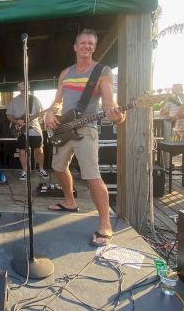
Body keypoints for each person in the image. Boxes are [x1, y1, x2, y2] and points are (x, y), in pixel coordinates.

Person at [44, 29, 125, 247]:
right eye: (83, 43)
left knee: (91, 177)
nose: (86, 46)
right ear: (75, 46)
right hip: (65, 128)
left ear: (94, 47)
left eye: (90, 43)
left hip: (87, 128)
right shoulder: (65, 73)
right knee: (58, 167)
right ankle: (70, 201)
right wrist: (51, 112)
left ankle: (105, 224)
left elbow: (109, 103)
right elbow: (58, 101)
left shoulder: (102, 71)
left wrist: (117, 116)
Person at [6, 81, 48, 180]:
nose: (24, 91)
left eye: (26, 89)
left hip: (35, 129)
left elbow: (41, 113)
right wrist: (17, 121)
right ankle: (24, 171)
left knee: (39, 150)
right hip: (20, 130)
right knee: (22, 151)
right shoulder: (13, 101)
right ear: (19, 89)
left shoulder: (35, 99)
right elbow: (8, 115)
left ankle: (41, 169)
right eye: (22, 89)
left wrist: (44, 114)